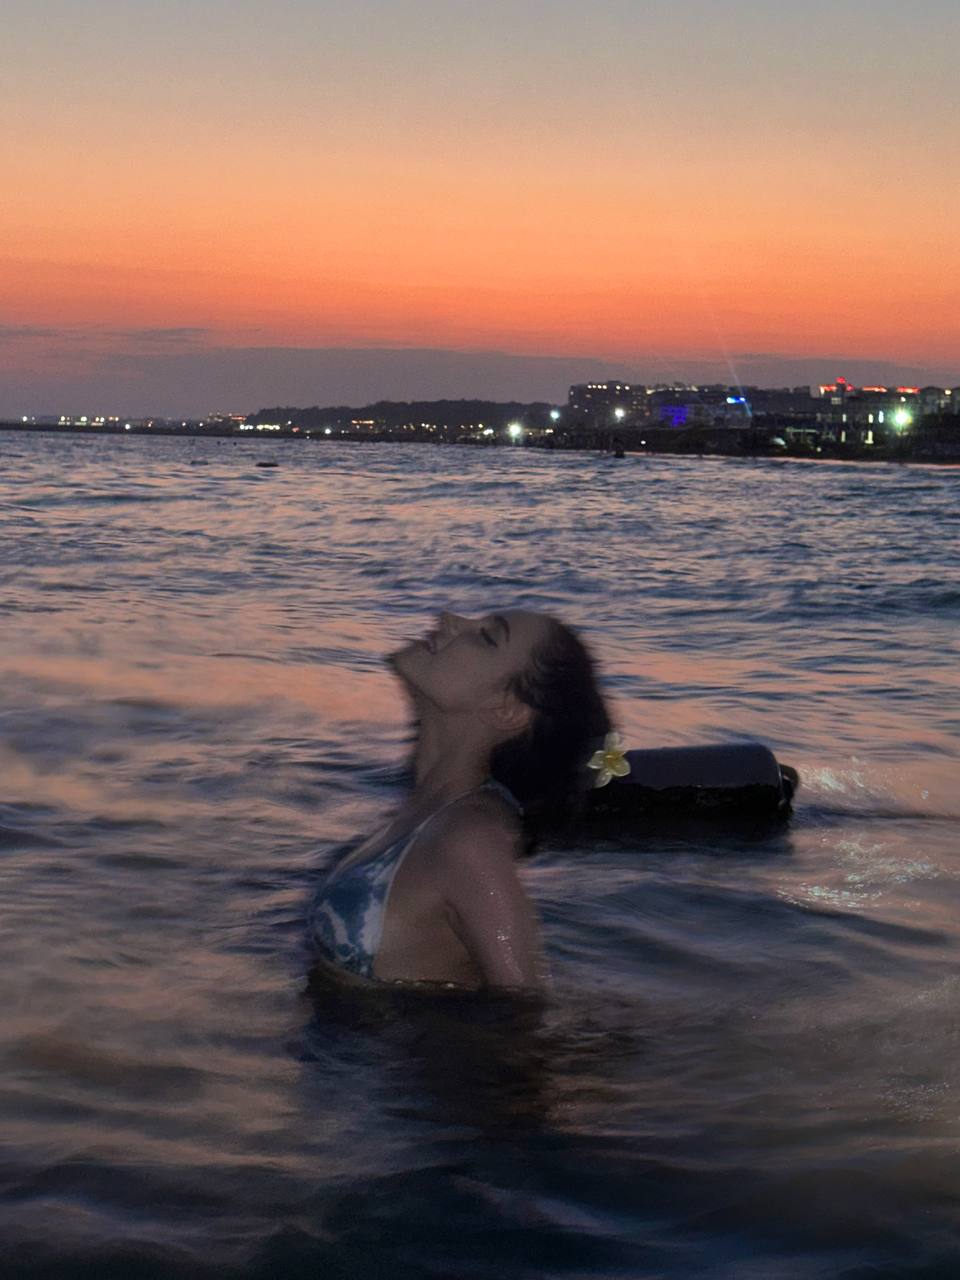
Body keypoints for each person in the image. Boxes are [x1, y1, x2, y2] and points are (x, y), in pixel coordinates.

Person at [310, 609, 611, 992]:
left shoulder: (469, 840)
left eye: (487, 637)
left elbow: (525, 1007)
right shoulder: (425, 812)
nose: (450, 619)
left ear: (506, 709)